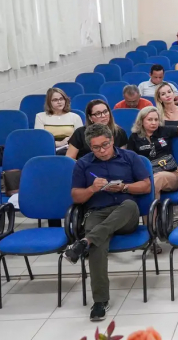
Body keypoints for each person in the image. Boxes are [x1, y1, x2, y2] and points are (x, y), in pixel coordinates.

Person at [64, 123, 151, 321]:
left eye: (105, 145)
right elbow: (76, 196)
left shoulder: (129, 157)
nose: (102, 150)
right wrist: (92, 189)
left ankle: (84, 242)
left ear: (112, 141)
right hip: (97, 212)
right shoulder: (83, 163)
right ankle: (100, 301)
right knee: (97, 242)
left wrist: (124, 187)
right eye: (96, 148)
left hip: (125, 213)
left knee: (129, 206)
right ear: (90, 147)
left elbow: (146, 186)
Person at [128, 106, 178, 202]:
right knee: (150, 182)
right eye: (150, 120)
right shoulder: (134, 137)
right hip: (148, 174)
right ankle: (154, 211)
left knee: (156, 180)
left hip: (171, 173)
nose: (154, 123)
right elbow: (130, 159)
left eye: (156, 120)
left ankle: (151, 211)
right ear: (141, 121)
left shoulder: (164, 130)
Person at [34, 87, 83, 153]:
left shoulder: (75, 117)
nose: (59, 102)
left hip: (70, 150)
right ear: (49, 102)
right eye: (55, 100)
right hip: (48, 150)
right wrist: (60, 143)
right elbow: (40, 140)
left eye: (61, 99)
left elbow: (80, 140)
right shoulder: (40, 117)